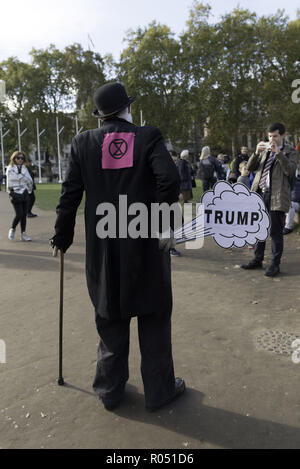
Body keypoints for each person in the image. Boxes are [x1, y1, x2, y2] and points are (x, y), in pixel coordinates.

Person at [50, 82, 185, 412]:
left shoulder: (82, 142)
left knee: (110, 316)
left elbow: (69, 195)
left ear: (99, 115)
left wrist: (62, 236)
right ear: (128, 108)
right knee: (153, 316)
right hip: (146, 245)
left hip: (104, 248)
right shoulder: (148, 135)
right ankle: (159, 390)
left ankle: (109, 390)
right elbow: (169, 181)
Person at [241, 122, 298, 277]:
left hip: (277, 196)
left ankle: (274, 264)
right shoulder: (265, 151)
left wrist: (278, 153)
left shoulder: (290, 151)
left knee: (275, 232)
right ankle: (257, 259)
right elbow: (250, 169)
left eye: (275, 136)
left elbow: (291, 171)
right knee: (258, 229)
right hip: (259, 193)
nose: (272, 139)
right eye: (270, 136)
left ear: (283, 136)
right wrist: (256, 153)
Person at [6, 151, 33, 242]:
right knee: (19, 214)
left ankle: (23, 234)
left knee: (24, 215)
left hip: (25, 193)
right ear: (14, 159)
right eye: (18, 158)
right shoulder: (10, 168)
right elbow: (11, 180)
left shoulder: (25, 168)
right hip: (15, 193)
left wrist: (29, 189)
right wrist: (11, 191)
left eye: (22, 158)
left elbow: (29, 180)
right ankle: (12, 229)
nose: (20, 160)